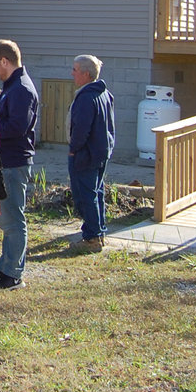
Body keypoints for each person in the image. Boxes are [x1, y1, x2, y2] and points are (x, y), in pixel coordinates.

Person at [0, 39, 39, 289]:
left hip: (14, 163)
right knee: (5, 217)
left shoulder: (22, 90)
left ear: (5, 61)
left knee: (14, 218)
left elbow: (17, 127)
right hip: (5, 161)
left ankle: (14, 273)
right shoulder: (10, 86)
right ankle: (5, 265)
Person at [68, 53, 116, 252]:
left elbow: (81, 129)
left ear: (86, 74)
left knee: (85, 196)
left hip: (86, 155)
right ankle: (99, 231)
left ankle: (92, 238)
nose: (72, 74)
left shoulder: (87, 97)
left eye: (75, 70)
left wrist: (73, 150)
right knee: (96, 193)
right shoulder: (104, 93)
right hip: (101, 152)